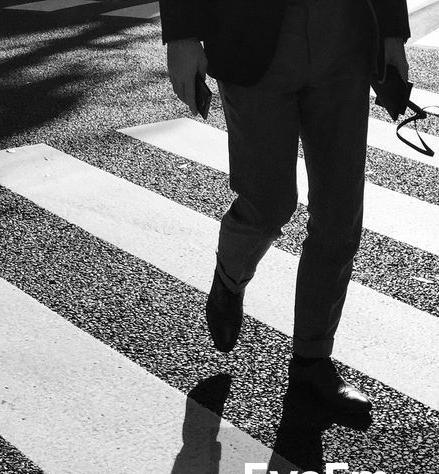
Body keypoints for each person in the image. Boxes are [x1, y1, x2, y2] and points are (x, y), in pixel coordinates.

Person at [158, 0, 411, 422]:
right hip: (251, 37)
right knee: (268, 203)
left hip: (345, 37)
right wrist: (182, 35)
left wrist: (391, 33)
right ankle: (229, 279)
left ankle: (312, 360)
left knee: (340, 214)